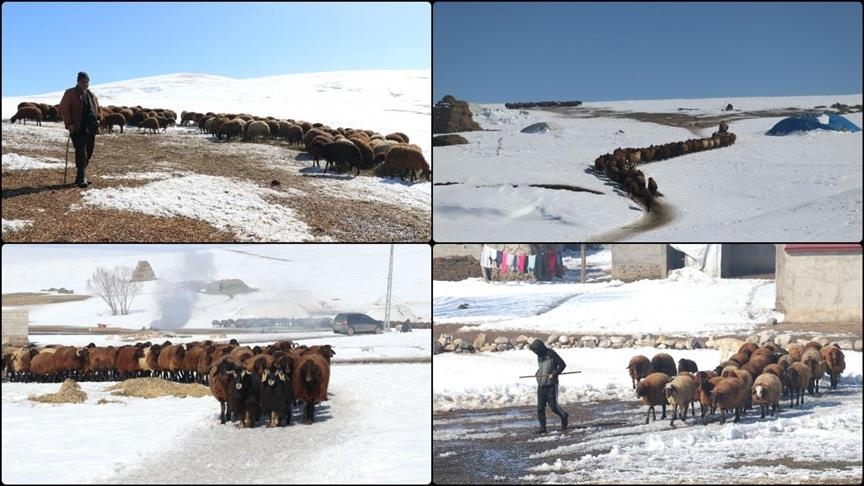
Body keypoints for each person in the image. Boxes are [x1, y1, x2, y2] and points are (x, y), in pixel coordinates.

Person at [59, 71, 101, 188]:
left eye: (87, 82)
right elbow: (63, 108)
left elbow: (98, 108)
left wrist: (99, 118)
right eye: (83, 82)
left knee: (89, 152)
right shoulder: (70, 93)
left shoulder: (91, 94)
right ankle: (81, 177)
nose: (86, 84)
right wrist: (69, 123)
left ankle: (81, 176)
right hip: (78, 128)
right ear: (78, 81)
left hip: (91, 128)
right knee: (81, 152)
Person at [528, 339, 569, 433]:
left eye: (536, 350)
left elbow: (562, 365)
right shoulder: (539, 356)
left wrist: (554, 374)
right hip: (541, 384)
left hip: (551, 384)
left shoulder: (551, 354)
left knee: (553, 406)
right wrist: (538, 374)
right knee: (540, 408)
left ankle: (564, 415)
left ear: (540, 348)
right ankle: (543, 428)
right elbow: (542, 369)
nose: (535, 352)